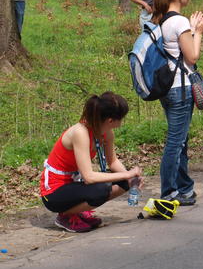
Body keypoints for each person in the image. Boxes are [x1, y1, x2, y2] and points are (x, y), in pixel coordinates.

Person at [40, 92, 143, 233]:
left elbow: (113, 161)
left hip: (75, 183)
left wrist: (130, 177)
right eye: (121, 118)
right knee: (101, 189)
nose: (121, 123)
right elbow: (89, 177)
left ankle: (77, 211)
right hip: (54, 191)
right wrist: (127, 174)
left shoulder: (106, 132)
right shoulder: (80, 132)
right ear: (110, 120)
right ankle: (65, 215)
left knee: (125, 181)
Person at [154, 0, 203, 205]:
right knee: (175, 142)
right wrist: (199, 32)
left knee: (180, 140)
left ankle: (185, 188)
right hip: (180, 88)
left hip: (168, 87)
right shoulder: (178, 22)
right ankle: (169, 192)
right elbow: (193, 56)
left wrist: (193, 29)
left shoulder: (163, 19)